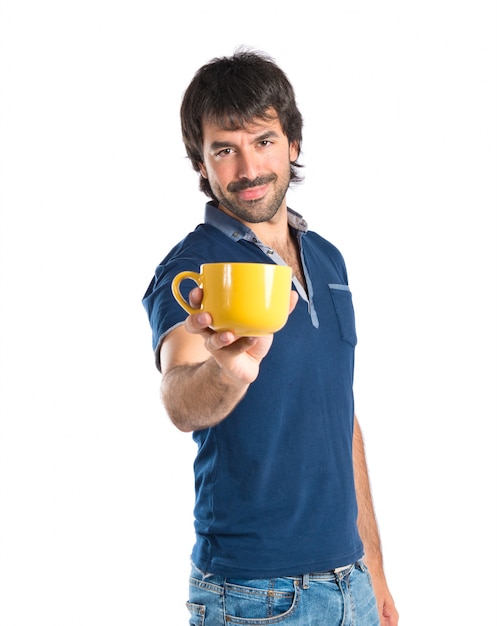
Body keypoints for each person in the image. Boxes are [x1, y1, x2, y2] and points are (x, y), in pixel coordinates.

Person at [143, 49, 399, 626]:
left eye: (262, 140)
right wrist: (227, 370)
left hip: (350, 582)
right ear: (202, 165)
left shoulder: (328, 260)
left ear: (294, 145)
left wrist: (375, 572)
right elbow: (181, 399)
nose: (248, 168)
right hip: (255, 596)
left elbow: (341, 416)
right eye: (224, 150)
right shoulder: (192, 270)